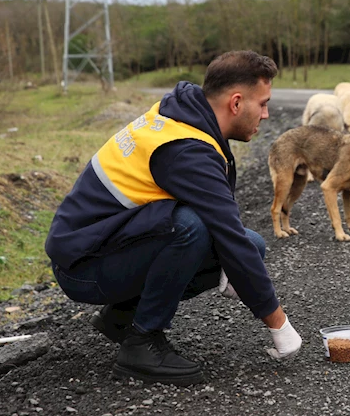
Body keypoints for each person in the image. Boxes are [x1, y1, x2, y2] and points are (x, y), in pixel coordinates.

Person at [45, 50, 302, 386]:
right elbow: (226, 232)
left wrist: (239, 263)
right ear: (236, 103)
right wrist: (279, 325)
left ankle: (122, 317)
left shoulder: (185, 114)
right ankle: (142, 344)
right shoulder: (185, 149)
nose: (266, 114)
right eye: (263, 104)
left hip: (105, 245)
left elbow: (232, 232)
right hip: (80, 267)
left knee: (250, 245)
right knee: (190, 227)